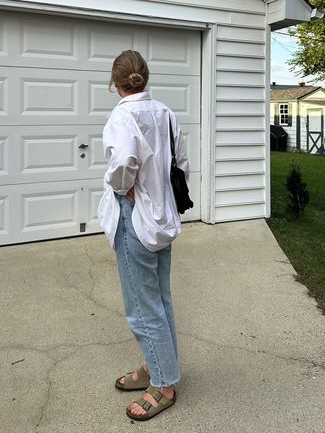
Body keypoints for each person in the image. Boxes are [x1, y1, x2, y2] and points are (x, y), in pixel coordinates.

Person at [97, 50, 189, 421]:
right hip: (161, 215)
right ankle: (156, 366)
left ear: (114, 82)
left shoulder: (123, 115)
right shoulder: (164, 113)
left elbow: (122, 164)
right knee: (159, 298)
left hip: (134, 216)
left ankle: (164, 385)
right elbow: (180, 163)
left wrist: (122, 187)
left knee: (141, 304)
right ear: (144, 78)